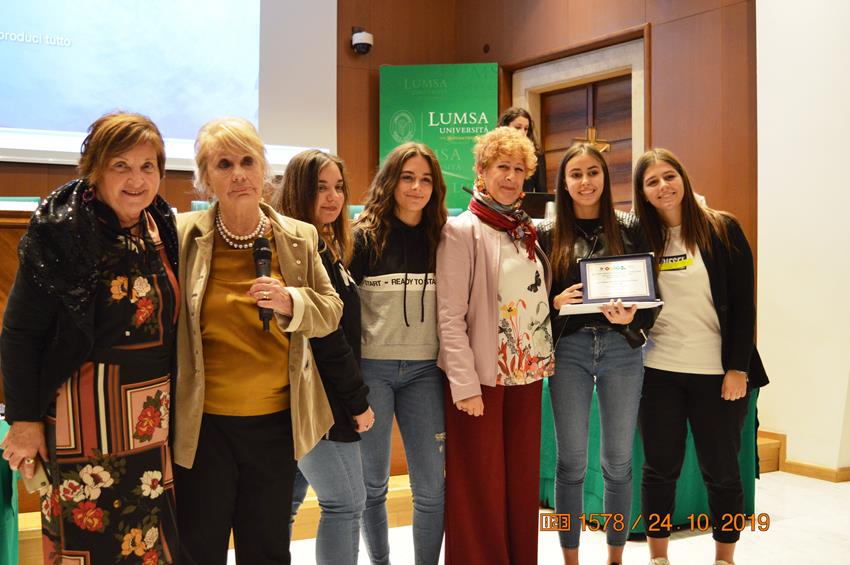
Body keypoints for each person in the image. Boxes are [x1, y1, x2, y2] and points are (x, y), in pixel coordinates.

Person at [1, 112, 180, 563]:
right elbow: (20, 332)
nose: (137, 180)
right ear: (95, 169)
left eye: (148, 166)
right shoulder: (61, 230)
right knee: (87, 544)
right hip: (82, 424)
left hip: (151, 424)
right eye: (121, 166)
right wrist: (24, 419)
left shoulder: (160, 223)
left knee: (148, 545)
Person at [173, 117, 342, 565]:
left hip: (275, 426)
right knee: (198, 549)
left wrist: (291, 302)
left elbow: (331, 311)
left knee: (266, 551)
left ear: (263, 169)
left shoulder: (299, 237)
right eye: (223, 164)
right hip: (203, 428)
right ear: (205, 178)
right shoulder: (182, 235)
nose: (238, 174)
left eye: (248, 161)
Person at [633, 148, 768, 565]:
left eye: (669, 176)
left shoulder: (722, 229)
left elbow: (743, 305)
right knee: (659, 469)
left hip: (717, 372)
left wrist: (737, 368)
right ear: (643, 192)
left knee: (722, 471)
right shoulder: (640, 239)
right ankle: (658, 556)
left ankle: (725, 557)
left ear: (683, 178)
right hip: (658, 371)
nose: (663, 186)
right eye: (652, 181)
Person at [437, 126, 554, 564]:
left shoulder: (523, 229)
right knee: (480, 485)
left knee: (521, 483)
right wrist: (464, 385)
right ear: (481, 171)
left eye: (519, 169)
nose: (511, 177)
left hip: (528, 372)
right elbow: (450, 317)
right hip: (482, 377)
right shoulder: (461, 230)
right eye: (502, 167)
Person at [540, 142, 658, 565]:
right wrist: (555, 302)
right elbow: (529, 302)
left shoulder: (629, 226)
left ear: (606, 177)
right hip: (568, 350)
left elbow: (651, 296)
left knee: (618, 461)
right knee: (570, 463)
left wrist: (632, 317)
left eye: (593, 172)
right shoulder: (547, 233)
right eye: (576, 174)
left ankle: (615, 557)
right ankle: (570, 558)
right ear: (563, 182)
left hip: (621, 350)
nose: (585, 181)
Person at [271, 149, 374, 565]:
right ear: (298, 191)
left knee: (285, 507)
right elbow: (329, 340)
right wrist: (357, 401)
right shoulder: (302, 250)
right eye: (320, 188)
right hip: (319, 402)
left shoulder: (324, 247)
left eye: (339, 187)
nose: (333, 198)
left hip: (311, 400)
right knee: (346, 503)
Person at [349, 142, 448, 565]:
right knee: (373, 485)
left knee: (432, 487)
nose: (416, 187)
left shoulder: (444, 237)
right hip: (373, 370)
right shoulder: (361, 237)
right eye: (407, 177)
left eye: (425, 179)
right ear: (390, 181)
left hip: (426, 371)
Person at [498, 106, 548, 193]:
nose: (522, 132)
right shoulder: (494, 151)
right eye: (517, 127)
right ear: (505, 127)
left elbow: (542, 191)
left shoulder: (536, 154)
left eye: (526, 129)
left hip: (524, 201)